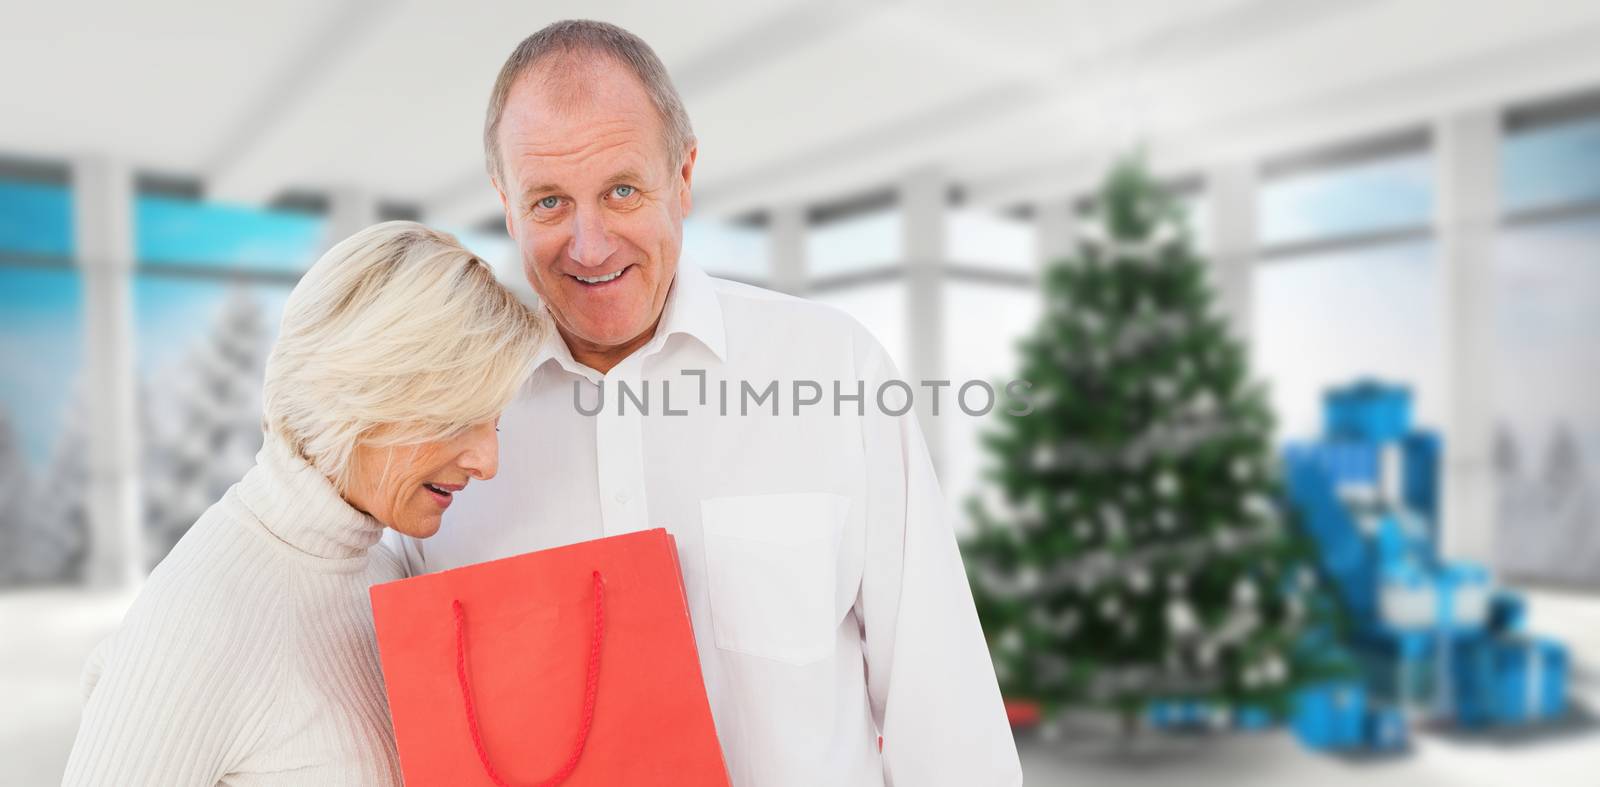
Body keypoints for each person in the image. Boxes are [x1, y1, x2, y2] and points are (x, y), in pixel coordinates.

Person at [386, 20, 1022, 786]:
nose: (589, 245)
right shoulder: (447, 426)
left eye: (622, 191)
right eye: (550, 202)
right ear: (506, 202)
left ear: (683, 176)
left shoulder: (834, 371)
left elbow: (946, 720)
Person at [62, 222, 546, 786]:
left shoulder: (385, 567)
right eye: (460, 417)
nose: (488, 462)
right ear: (366, 390)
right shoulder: (200, 618)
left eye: (494, 422)